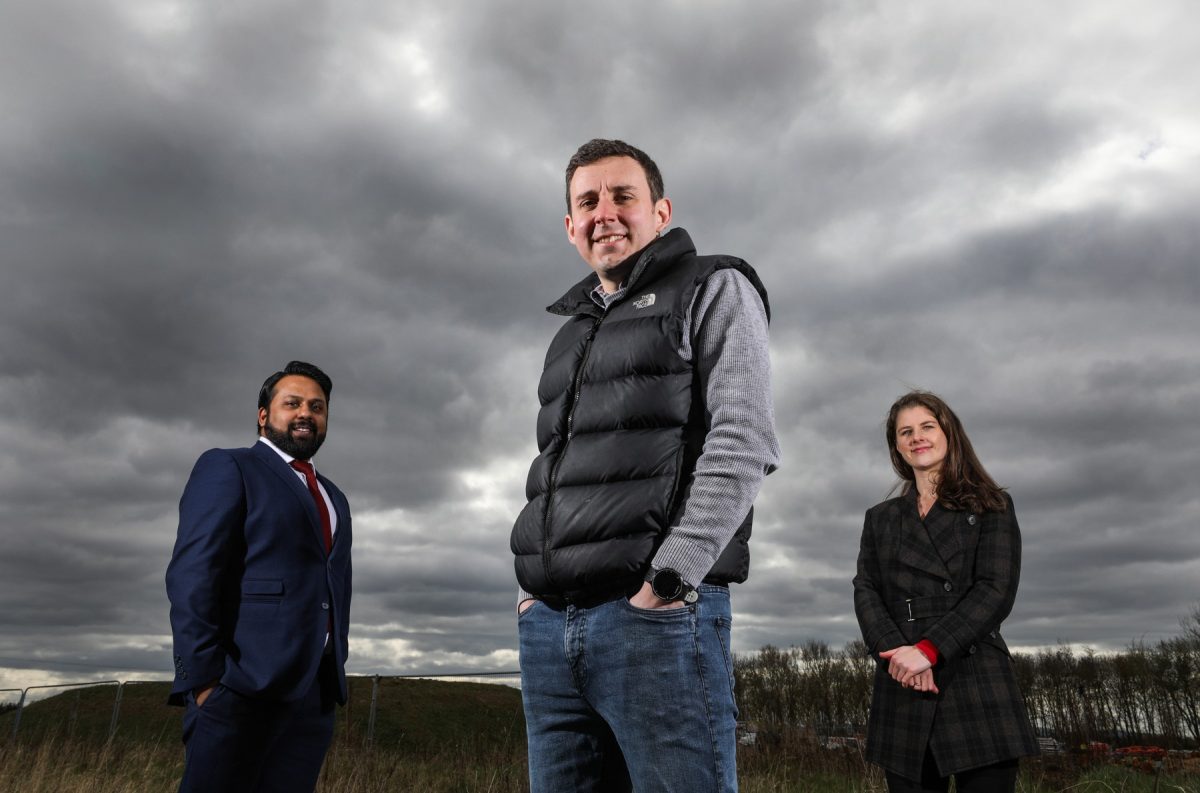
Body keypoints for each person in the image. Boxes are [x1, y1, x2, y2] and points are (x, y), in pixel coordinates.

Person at [510, 138, 780, 792]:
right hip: (550, 629)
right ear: (571, 226)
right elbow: (557, 464)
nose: (605, 211)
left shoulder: (713, 285)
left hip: (657, 618)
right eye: (588, 201)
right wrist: (529, 594)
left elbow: (744, 436)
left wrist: (670, 578)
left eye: (622, 195)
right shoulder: (569, 332)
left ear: (660, 211)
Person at [166, 361, 352, 793]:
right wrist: (203, 680)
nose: (306, 412)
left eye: (317, 406)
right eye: (292, 403)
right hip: (239, 687)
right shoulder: (228, 467)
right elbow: (193, 573)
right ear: (264, 415)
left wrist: (333, 669)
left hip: (313, 696)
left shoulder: (334, 496)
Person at [853, 391, 1038, 792]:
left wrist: (929, 651)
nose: (917, 437)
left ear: (948, 433)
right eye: (906, 432)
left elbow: (995, 590)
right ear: (897, 447)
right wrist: (898, 656)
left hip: (974, 679)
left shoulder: (992, 505)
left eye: (926, 426)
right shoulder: (880, 519)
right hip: (902, 682)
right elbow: (866, 588)